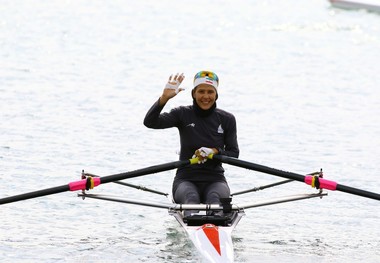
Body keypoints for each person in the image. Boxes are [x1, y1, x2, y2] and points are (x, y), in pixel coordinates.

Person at [143, 71, 239, 216]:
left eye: (210, 92)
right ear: (193, 94)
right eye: (201, 91)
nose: (205, 96)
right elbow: (150, 122)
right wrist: (164, 99)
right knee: (191, 200)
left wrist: (215, 151)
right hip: (185, 179)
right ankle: (195, 222)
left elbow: (234, 153)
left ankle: (215, 224)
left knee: (215, 202)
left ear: (216, 95)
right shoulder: (182, 114)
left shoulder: (227, 119)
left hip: (215, 179)